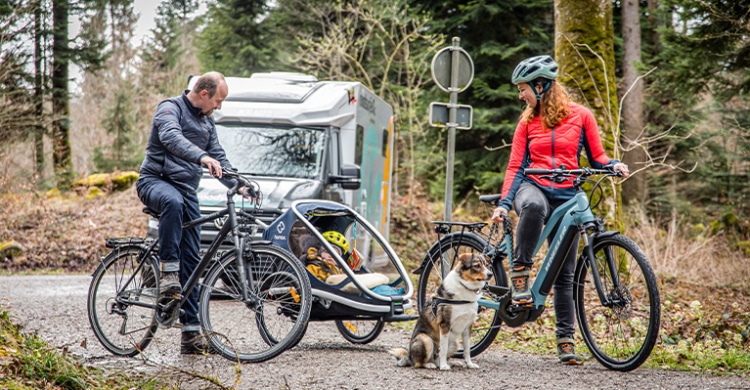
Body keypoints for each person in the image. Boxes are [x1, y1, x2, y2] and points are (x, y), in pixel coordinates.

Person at [490, 55, 629, 365]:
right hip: (532, 188)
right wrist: (503, 203)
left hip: (568, 195)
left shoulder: (581, 117)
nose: (520, 95)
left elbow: (597, 158)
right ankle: (521, 274)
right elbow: (516, 165)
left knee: (565, 275)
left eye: (523, 88)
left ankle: (566, 343)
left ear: (541, 87)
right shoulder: (526, 121)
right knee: (535, 206)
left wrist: (613, 165)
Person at [136, 71, 252, 355]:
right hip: (155, 181)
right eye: (218, 100)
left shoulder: (207, 122)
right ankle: (167, 273)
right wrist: (201, 157)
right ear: (203, 94)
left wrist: (240, 185)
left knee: (194, 261)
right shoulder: (169, 109)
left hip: (187, 192)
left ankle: (190, 335)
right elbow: (171, 137)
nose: (219, 106)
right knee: (173, 203)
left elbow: (219, 157)